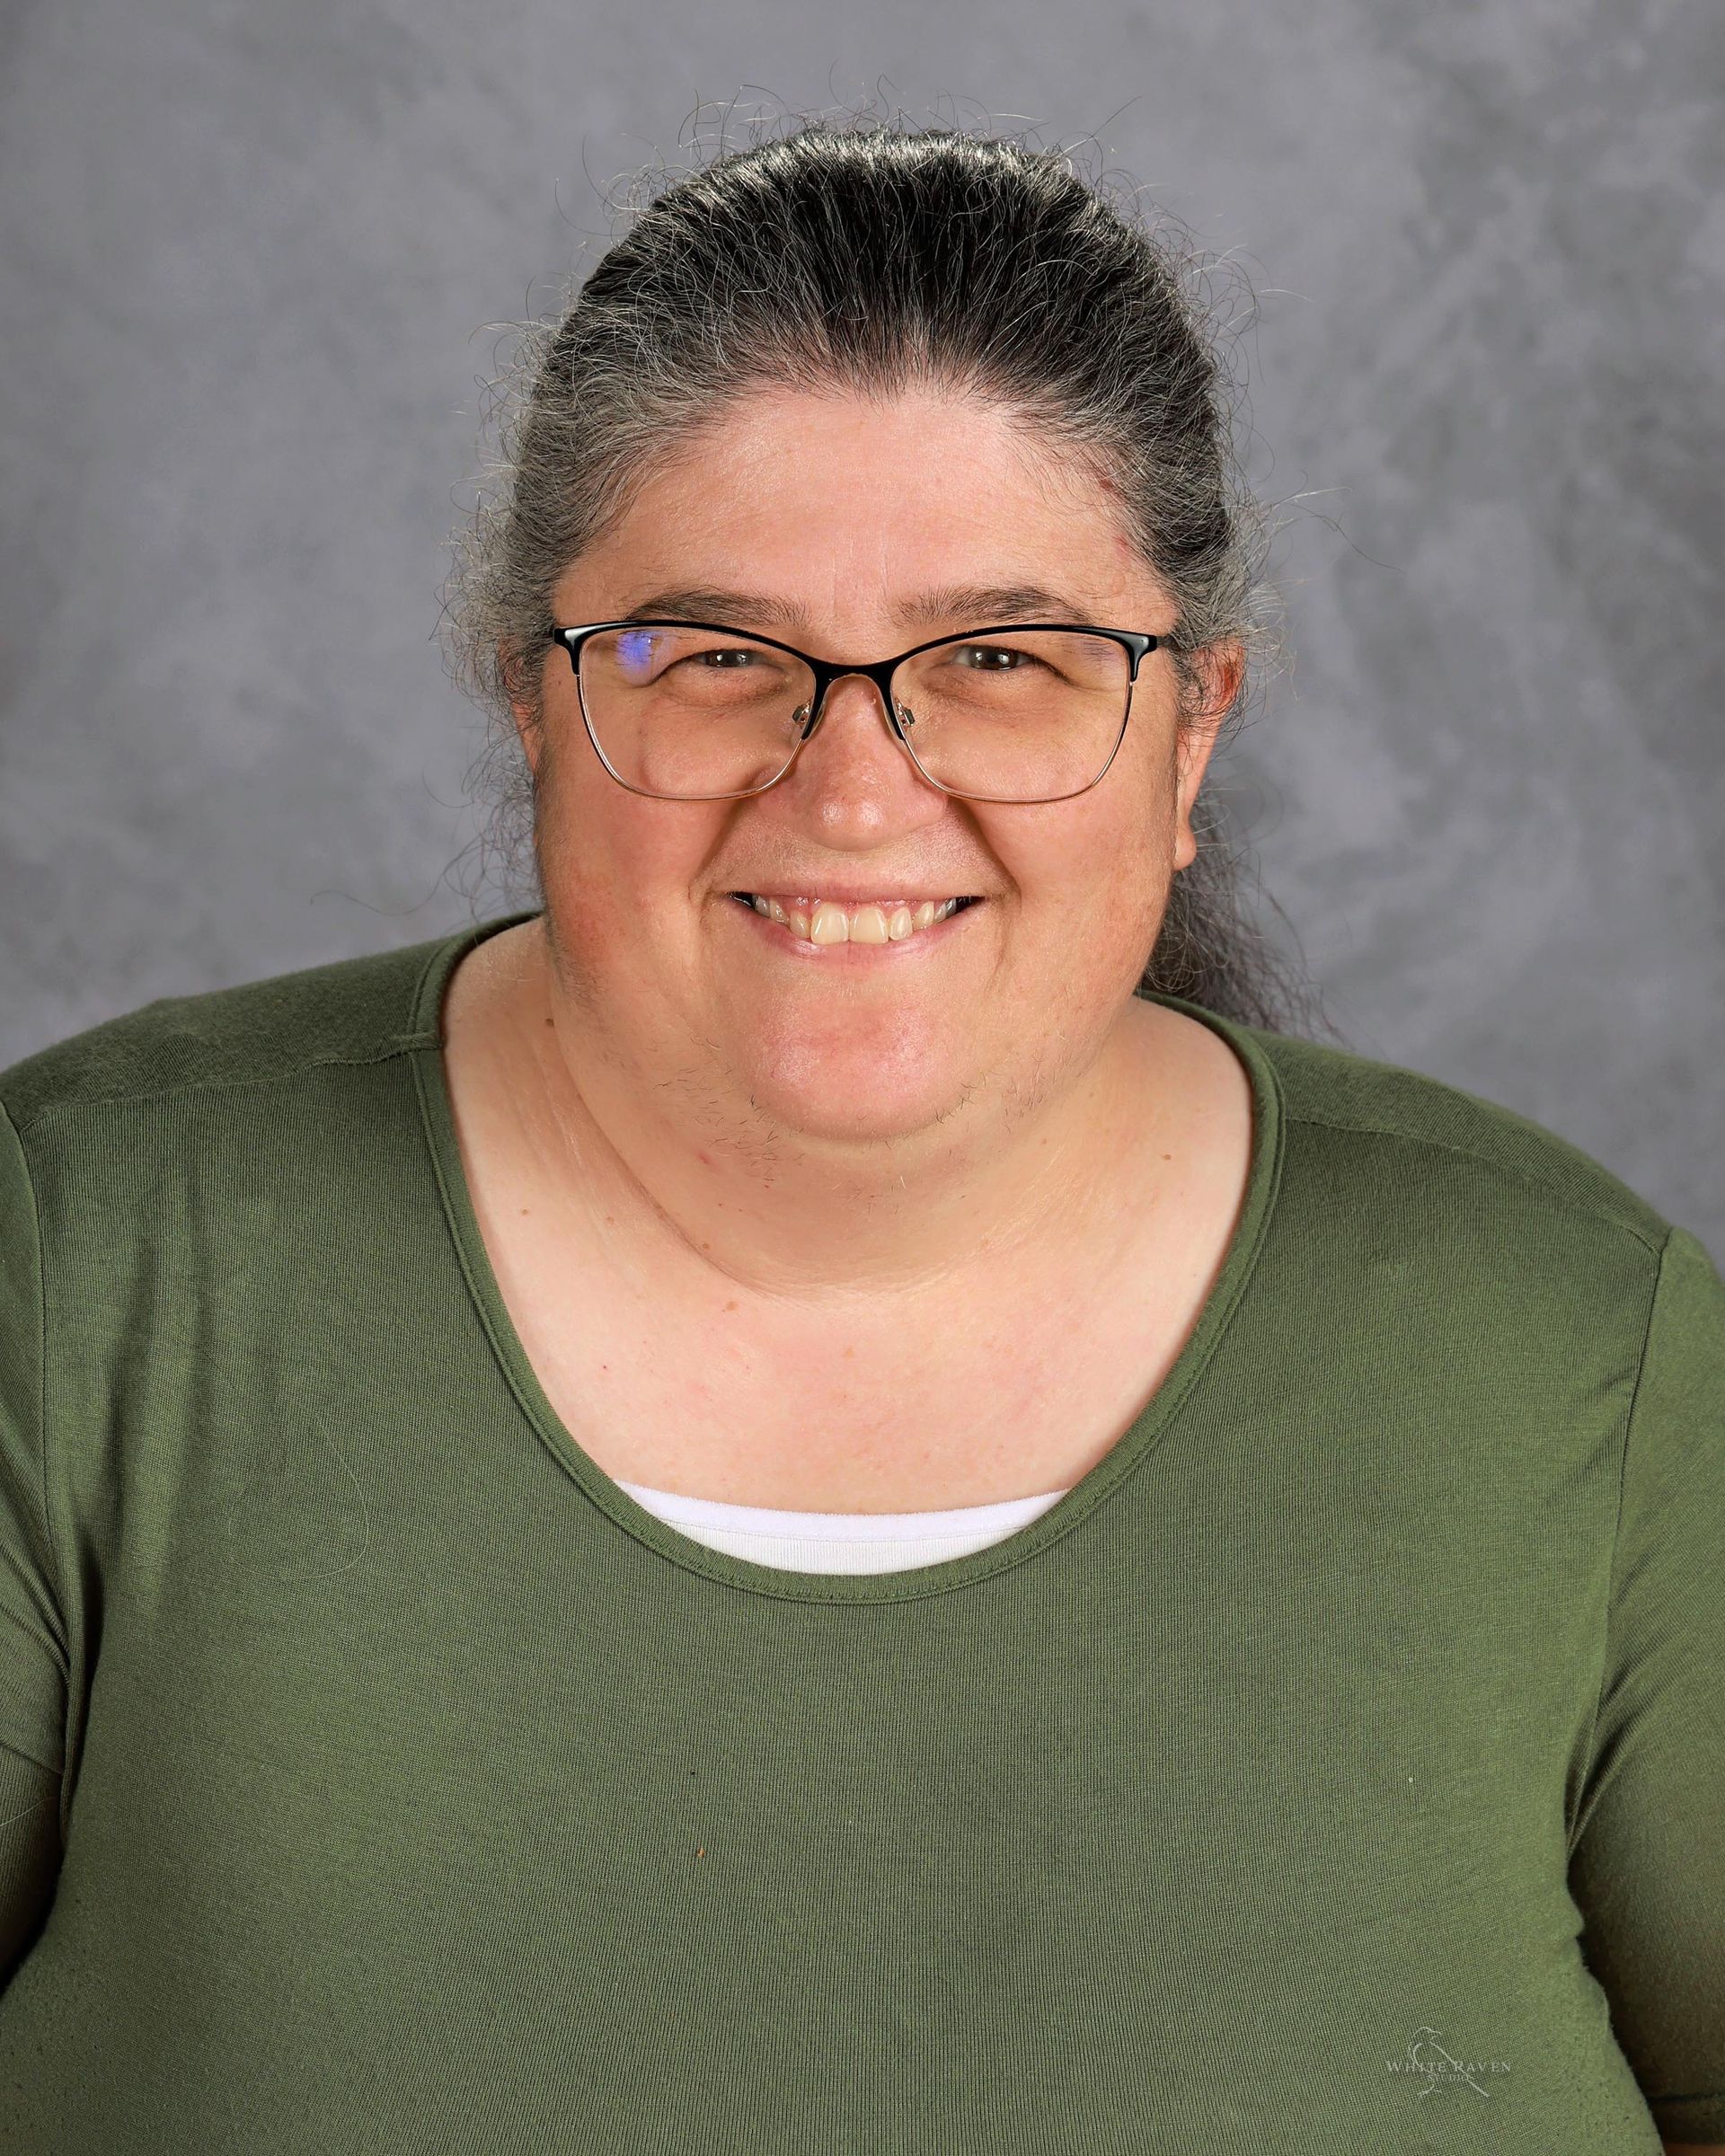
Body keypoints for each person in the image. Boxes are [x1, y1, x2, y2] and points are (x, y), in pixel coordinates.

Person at [0, 120, 1720, 2153]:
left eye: (999, 660)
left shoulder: (1583, 1355)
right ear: (533, 703)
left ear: (1192, 733)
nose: (852, 791)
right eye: (718, 656)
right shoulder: (82, 1266)